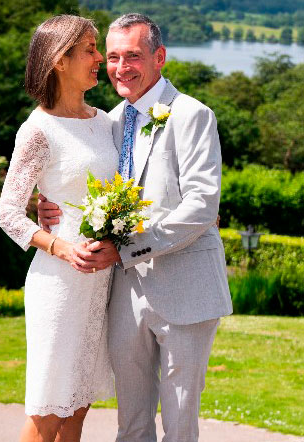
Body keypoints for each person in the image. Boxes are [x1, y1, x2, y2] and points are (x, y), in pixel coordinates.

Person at [38, 13, 233, 442]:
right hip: (123, 293)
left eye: (133, 55)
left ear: (159, 57)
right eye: (111, 56)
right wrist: (47, 202)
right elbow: (82, 176)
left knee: (180, 425)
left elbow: (202, 205)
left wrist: (128, 249)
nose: (121, 67)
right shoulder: (109, 120)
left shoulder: (193, 115)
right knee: (132, 425)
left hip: (187, 289)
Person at [0, 15, 119, 442]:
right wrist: (61, 247)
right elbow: (9, 211)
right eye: (89, 49)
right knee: (49, 411)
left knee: (78, 409)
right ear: (59, 60)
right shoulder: (37, 130)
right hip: (59, 284)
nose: (99, 57)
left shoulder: (105, 122)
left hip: (99, 284)